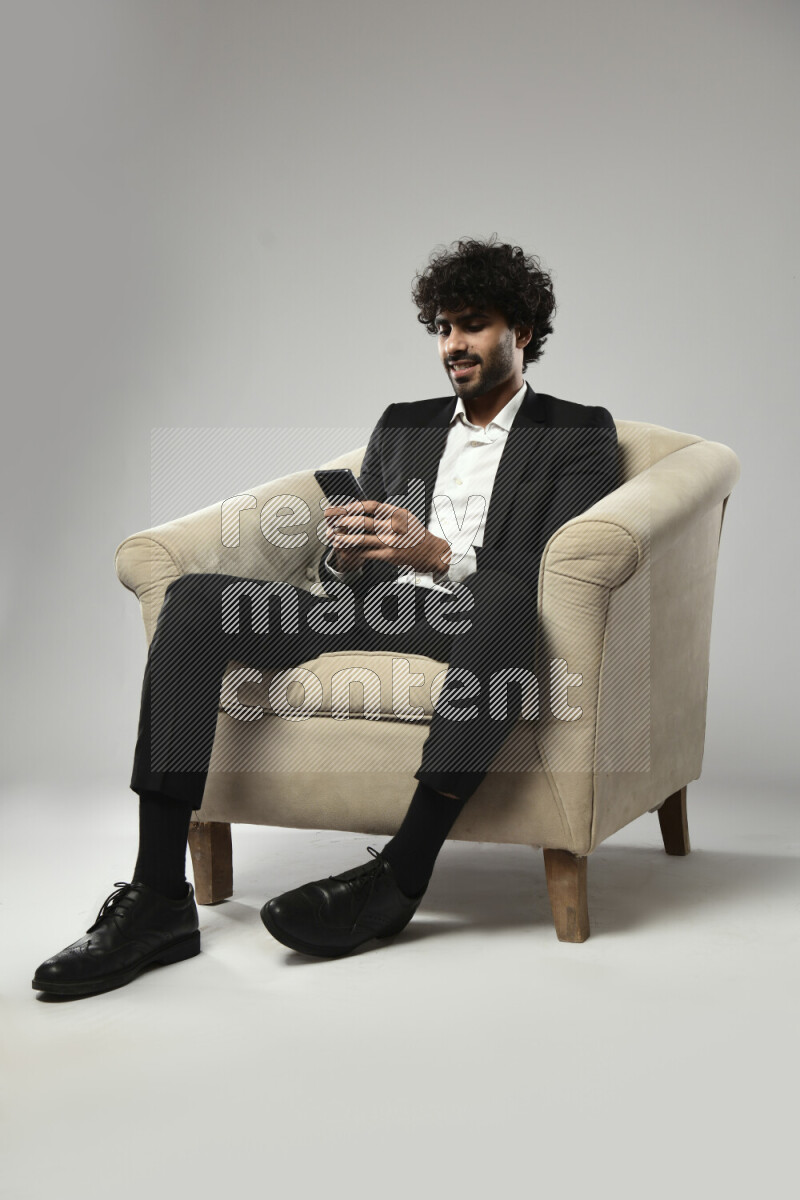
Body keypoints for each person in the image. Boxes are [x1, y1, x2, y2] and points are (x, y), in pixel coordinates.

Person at [32, 235, 619, 995]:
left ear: (524, 332)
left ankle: (400, 875)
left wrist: (437, 552)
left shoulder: (578, 432)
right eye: (442, 328)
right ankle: (156, 898)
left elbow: (551, 573)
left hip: (483, 619)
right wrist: (348, 551)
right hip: (371, 608)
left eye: (471, 324)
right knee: (195, 601)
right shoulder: (403, 423)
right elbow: (347, 566)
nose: (453, 345)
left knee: (506, 597)